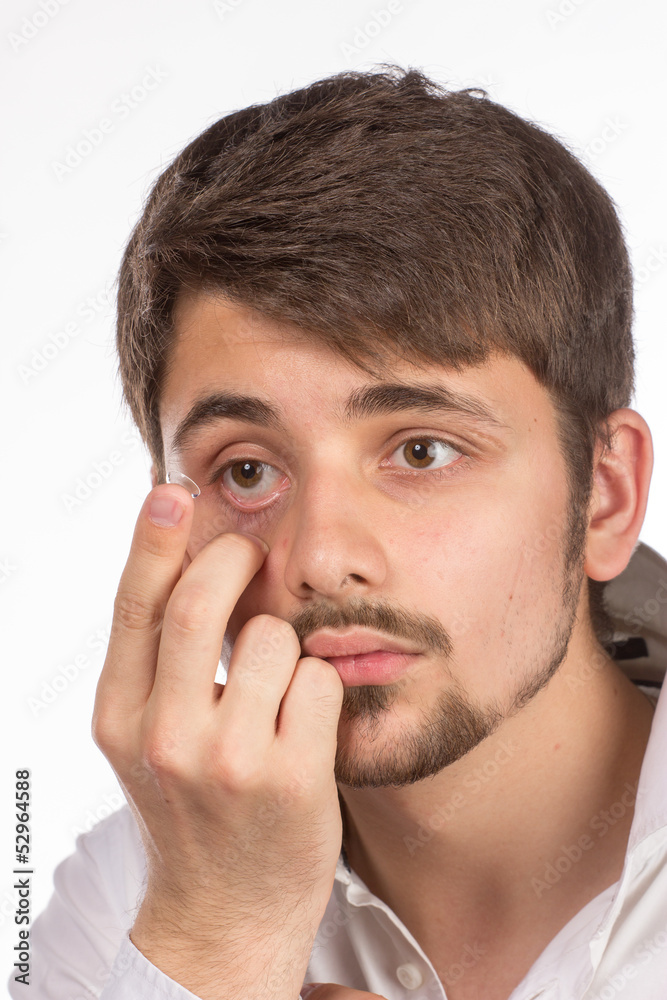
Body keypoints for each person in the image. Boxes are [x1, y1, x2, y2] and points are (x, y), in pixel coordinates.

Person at [12, 64, 667, 1000]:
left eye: (423, 452)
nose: (320, 559)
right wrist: (217, 941)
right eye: (247, 471)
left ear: (602, 495)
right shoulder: (131, 899)